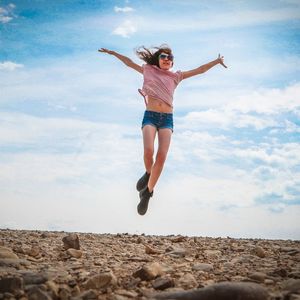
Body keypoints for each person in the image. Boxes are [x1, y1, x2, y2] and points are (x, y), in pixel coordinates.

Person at [98, 45, 227, 216]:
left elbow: (200, 70)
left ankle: (147, 193)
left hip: (167, 119)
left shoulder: (176, 76)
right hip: (150, 116)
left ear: (172, 62)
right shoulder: (148, 70)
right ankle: (148, 172)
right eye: (164, 56)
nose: (167, 59)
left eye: (170, 57)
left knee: (162, 156)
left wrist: (217, 61)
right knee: (148, 151)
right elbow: (129, 63)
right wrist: (113, 53)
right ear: (157, 59)